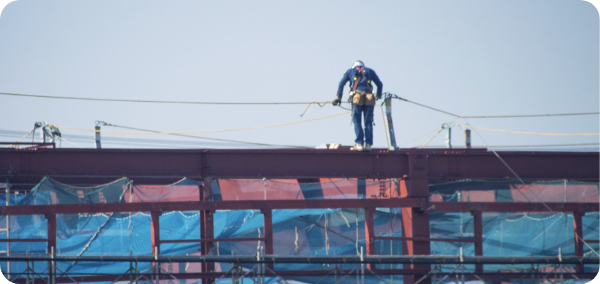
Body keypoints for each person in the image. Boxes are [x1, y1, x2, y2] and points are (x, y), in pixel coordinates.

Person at [332, 60, 383, 151]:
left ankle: (359, 144)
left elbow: (341, 84)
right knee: (368, 121)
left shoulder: (350, 71)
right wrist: (378, 96)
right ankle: (368, 145)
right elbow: (379, 84)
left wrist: (338, 97)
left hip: (356, 98)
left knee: (357, 121)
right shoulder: (370, 71)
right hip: (369, 98)